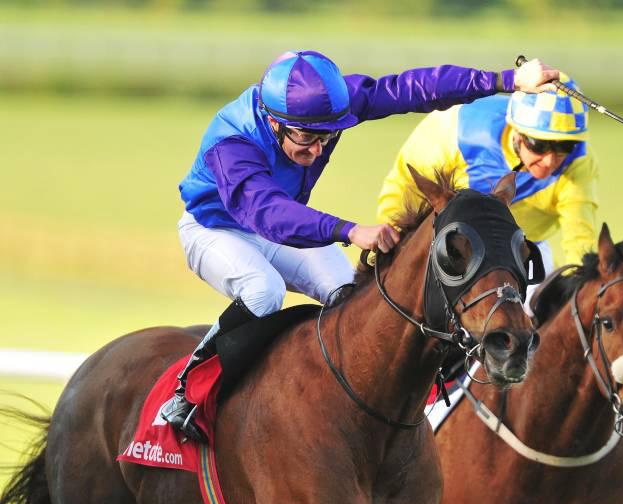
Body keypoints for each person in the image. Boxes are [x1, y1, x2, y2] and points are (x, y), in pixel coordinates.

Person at [161, 50, 563, 443]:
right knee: (263, 291)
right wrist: (349, 230)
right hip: (214, 230)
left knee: (348, 295)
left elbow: (413, 88)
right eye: (306, 138)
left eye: (326, 137)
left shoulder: (326, 105)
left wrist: (507, 81)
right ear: (273, 122)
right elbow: (267, 213)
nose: (317, 150)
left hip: (277, 229)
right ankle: (187, 391)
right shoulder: (232, 144)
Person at [377, 72, 599, 310]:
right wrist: (389, 244)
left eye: (565, 146)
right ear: (517, 132)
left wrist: (582, 295)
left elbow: (579, 243)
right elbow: (404, 184)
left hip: (521, 248)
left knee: (538, 316)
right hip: (450, 246)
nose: (549, 161)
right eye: (540, 145)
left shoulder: (578, 164)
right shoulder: (457, 128)